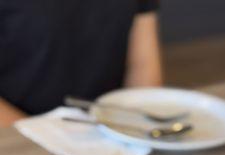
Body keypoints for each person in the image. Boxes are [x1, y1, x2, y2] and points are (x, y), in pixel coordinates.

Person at [0, 0, 162, 127]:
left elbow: (142, 66)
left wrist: (139, 130)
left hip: (108, 134)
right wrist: (41, 137)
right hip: (17, 138)